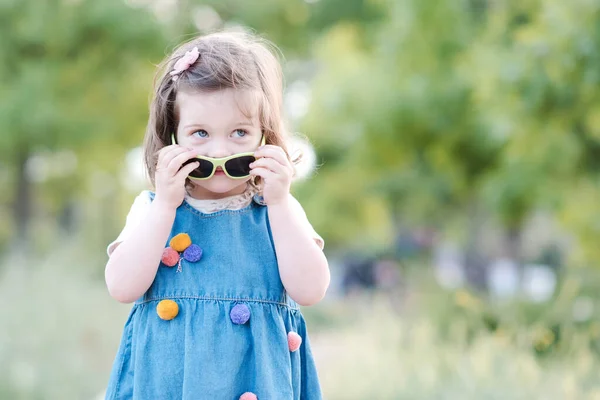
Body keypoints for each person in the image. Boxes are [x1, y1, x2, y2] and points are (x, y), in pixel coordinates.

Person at [103, 31, 330, 400]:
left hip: (256, 381)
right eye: (200, 133)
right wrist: (165, 206)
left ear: (264, 137)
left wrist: (279, 204)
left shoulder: (279, 210)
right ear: (172, 137)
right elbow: (121, 287)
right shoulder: (153, 208)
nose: (220, 149)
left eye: (240, 132)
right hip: (168, 383)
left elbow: (311, 290)